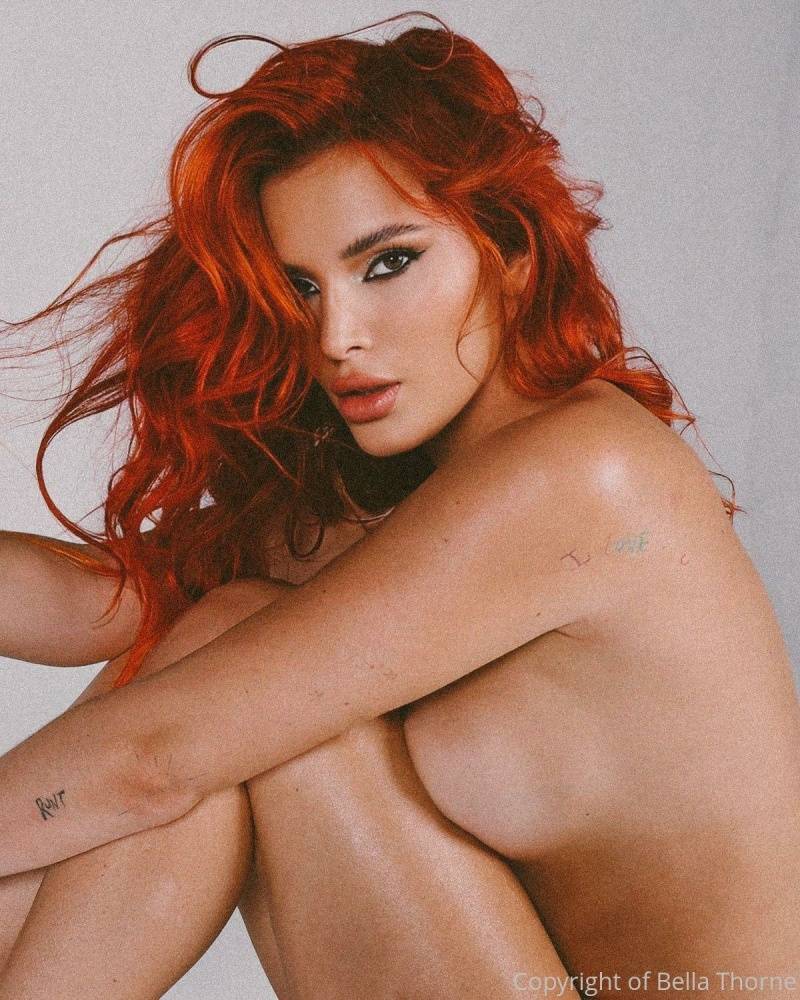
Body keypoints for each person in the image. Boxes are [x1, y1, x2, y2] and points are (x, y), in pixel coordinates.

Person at [1, 11, 798, 998]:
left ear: (509, 249)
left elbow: (153, 762)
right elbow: (111, 602)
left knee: (230, 704)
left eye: (387, 264)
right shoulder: (402, 494)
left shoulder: (585, 472)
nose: (336, 336)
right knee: (225, 650)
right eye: (300, 287)